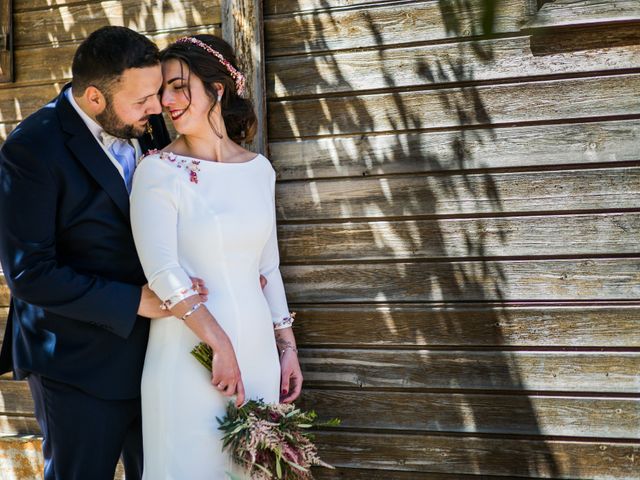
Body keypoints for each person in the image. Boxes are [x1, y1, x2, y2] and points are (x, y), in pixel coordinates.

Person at [0, 26, 176, 480]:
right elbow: (29, 274)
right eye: (143, 100)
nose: (157, 108)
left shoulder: (145, 123)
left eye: (156, 93)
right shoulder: (31, 150)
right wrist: (134, 301)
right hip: (75, 360)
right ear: (95, 98)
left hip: (159, 356)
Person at [129, 34, 303, 479]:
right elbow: (163, 272)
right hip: (189, 354)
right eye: (162, 90)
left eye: (178, 86)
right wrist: (220, 344)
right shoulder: (157, 171)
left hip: (258, 357)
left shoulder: (259, 170)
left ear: (218, 89)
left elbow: (268, 267)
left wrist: (286, 348)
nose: (166, 100)